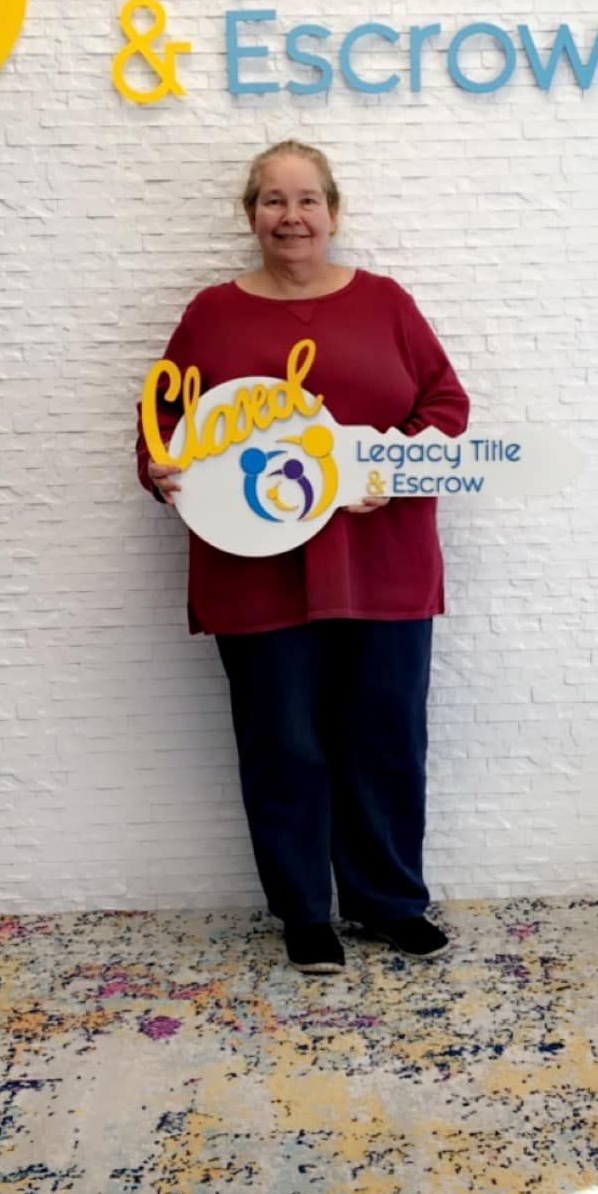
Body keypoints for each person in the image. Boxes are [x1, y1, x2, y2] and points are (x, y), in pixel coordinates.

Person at [136, 139, 469, 974]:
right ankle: (303, 915)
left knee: (386, 736)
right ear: (250, 215)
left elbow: (448, 407)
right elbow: (160, 428)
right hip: (256, 571)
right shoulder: (211, 314)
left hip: (381, 562)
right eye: (274, 201)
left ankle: (389, 902)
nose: (292, 217)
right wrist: (160, 467)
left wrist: (391, 467)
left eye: (308, 199)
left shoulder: (387, 303)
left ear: (334, 210)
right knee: (284, 744)